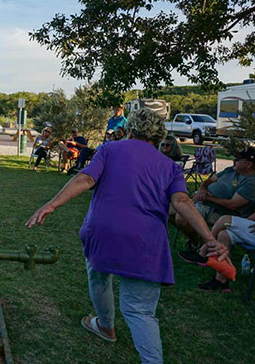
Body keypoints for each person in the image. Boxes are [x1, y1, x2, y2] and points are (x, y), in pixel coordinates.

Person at [26, 109, 227, 364]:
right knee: (139, 310)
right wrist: (209, 238)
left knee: (98, 276)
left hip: (103, 232)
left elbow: (85, 179)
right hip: (146, 241)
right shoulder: (169, 167)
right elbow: (183, 201)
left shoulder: (109, 150)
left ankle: (106, 326)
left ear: (130, 129)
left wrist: (51, 205)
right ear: (158, 136)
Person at [171, 148, 255, 249]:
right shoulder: (230, 170)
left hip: (219, 212)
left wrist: (206, 198)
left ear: (248, 164)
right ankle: (196, 237)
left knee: (181, 218)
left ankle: (197, 243)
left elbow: (232, 205)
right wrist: (202, 189)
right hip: (203, 203)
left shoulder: (252, 183)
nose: (234, 160)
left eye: (238, 159)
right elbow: (210, 180)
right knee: (167, 210)